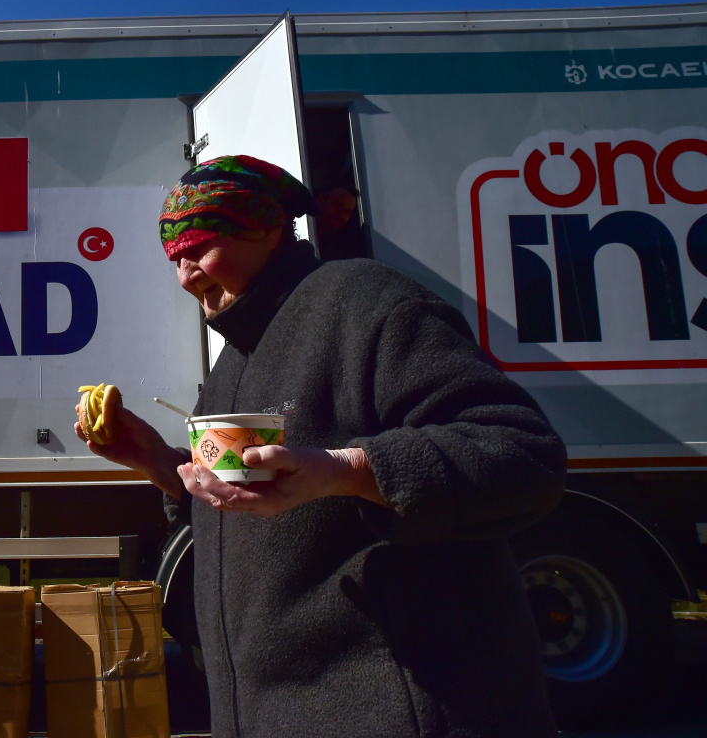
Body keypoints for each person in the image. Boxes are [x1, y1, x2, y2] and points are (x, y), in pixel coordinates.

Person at [75, 155, 566, 737]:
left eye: (199, 247)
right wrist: (161, 465)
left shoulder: (366, 301)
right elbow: (249, 499)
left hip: (398, 713)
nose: (185, 275)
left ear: (265, 228)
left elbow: (521, 452)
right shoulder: (234, 362)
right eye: (173, 258)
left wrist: (349, 470)